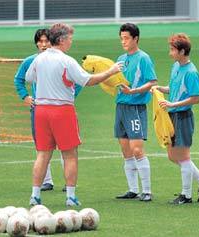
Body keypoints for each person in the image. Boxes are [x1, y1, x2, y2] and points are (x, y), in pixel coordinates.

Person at [25, 23, 122, 206]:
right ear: (61, 40)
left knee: (43, 154)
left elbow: (30, 78)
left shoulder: (39, 59)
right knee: (69, 154)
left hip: (41, 110)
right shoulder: (67, 61)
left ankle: (35, 195)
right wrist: (110, 71)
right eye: (70, 38)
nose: (71, 41)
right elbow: (88, 81)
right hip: (62, 110)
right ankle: (70, 197)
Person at [14, 28, 81, 192]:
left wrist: (70, 97)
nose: (43, 45)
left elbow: (77, 83)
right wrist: (25, 96)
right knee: (43, 147)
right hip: (38, 109)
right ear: (36, 43)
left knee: (64, 147)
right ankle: (48, 181)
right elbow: (19, 80)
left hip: (56, 109)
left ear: (52, 42)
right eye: (40, 41)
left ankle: (67, 184)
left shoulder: (61, 60)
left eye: (46, 41)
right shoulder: (31, 60)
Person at [154, 33, 199, 204]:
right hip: (172, 116)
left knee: (184, 156)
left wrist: (173, 105)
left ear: (182, 51)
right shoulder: (175, 67)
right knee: (173, 156)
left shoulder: (192, 72)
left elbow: (195, 98)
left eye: (172, 50)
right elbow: (173, 88)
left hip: (183, 117)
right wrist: (160, 89)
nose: (170, 53)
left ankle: (186, 195)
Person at [115, 23, 157, 202]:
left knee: (137, 149)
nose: (123, 41)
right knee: (126, 150)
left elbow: (152, 82)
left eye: (126, 38)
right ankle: (132, 189)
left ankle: (147, 191)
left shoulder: (144, 58)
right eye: (121, 38)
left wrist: (133, 91)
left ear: (136, 39)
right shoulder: (121, 59)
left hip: (136, 108)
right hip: (121, 107)